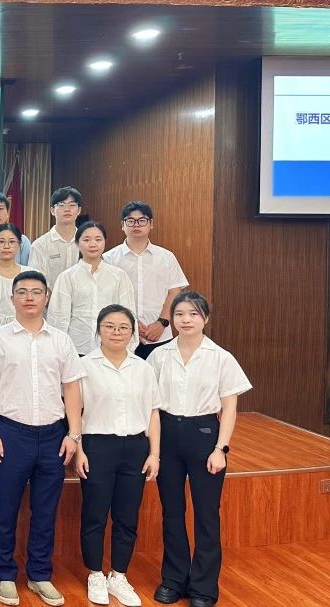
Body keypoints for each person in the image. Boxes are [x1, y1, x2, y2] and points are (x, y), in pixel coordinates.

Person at [0, 270, 86, 607]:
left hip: (54, 434)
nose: (29, 297)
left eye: (36, 292)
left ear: (47, 297)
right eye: (22, 291)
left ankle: (40, 574)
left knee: (45, 511)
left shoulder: (61, 340)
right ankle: (5, 574)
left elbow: (72, 388)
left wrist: (74, 434)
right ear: (11, 298)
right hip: (11, 433)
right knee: (6, 509)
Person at [147, 292, 250, 607]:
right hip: (167, 434)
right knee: (172, 511)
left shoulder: (221, 357)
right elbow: (150, 405)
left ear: (205, 318)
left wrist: (221, 448)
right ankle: (174, 579)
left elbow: (229, 408)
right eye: (179, 314)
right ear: (172, 319)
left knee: (207, 514)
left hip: (205, 435)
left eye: (193, 313)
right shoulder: (159, 356)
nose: (186, 319)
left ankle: (204, 587)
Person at [74, 304, 161, 607]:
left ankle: (119, 575)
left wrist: (154, 454)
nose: (116, 332)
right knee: (95, 514)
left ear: (132, 333)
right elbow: (74, 412)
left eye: (123, 327)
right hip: (97, 446)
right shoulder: (84, 366)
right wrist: (79, 449)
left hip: (135, 448)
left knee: (127, 516)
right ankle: (95, 574)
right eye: (109, 326)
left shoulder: (143, 368)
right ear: (99, 330)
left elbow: (153, 412)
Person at [104, 201, 189, 359]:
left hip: (160, 334)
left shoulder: (166, 257)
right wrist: (130, 322)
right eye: (130, 221)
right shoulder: (109, 259)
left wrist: (162, 323)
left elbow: (174, 292)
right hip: (121, 335)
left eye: (142, 220)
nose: (136, 225)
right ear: (122, 225)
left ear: (151, 224)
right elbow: (106, 296)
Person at [50, 221, 136, 355]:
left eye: (98, 239)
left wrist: (129, 349)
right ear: (77, 243)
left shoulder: (119, 276)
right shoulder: (67, 277)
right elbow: (58, 318)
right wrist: (59, 350)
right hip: (76, 348)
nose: (93, 244)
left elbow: (129, 314)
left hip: (112, 348)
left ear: (104, 242)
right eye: (86, 240)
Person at [29, 186, 82, 287]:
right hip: (51, 297)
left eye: (72, 205)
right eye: (61, 205)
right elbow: (36, 282)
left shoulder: (86, 242)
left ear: (79, 210)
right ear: (52, 210)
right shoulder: (40, 245)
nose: (67, 209)